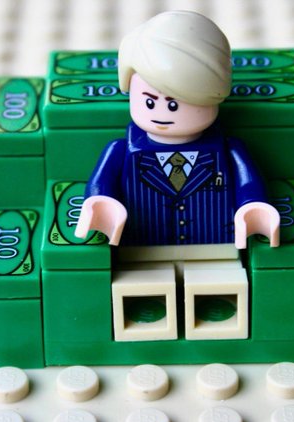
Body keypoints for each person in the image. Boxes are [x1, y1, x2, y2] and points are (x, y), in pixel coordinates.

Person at [75, 10, 279, 250]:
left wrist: (252, 206)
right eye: (149, 102)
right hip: (142, 248)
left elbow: (248, 185)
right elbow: (101, 185)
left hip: (214, 247)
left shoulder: (228, 149)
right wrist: (101, 203)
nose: (162, 114)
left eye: (174, 104)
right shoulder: (120, 149)